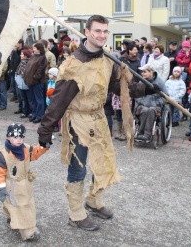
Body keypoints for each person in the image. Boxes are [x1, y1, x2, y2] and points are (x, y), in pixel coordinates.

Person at [37, 15, 141, 231]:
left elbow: (114, 86)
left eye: (105, 31)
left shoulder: (107, 59)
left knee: (103, 161)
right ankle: (75, 214)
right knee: (79, 167)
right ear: (87, 32)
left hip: (99, 119)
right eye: (97, 31)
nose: (102, 35)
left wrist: (144, 88)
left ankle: (94, 200)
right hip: (79, 121)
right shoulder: (74, 65)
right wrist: (45, 129)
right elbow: (58, 101)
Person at [0, 123, 48, 241]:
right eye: (15, 137)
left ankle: (10, 216)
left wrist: (44, 145)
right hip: (12, 184)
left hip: (25, 183)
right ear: (8, 137)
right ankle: (28, 232)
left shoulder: (26, 148)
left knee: (17, 204)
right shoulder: (3, 156)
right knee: (21, 206)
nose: (19, 140)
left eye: (21, 137)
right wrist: (1, 189)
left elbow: (36, 152)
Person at [134, 64, 168, 141]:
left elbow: (166, 96)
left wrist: (156, 103)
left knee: (151, 110)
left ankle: (147, 134)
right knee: (145, 110)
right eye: (142, 72)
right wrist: (143, 102)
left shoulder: (160, 82)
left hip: (155, 106)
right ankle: (140, 132)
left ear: (151, 72)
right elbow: (136, 95)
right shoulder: (141, 82)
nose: (142, 73)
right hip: (143, 105)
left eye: (144, 72)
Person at [23, 42, 47, 123]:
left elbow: (40, 70)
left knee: (39, 100)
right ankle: (34, 114)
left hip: (38, 82)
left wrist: (35, 78)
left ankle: (39, 115)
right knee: (33, 100)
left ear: (39, 49)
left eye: (35, 48)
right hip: (31, 82)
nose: (33, 49)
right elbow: (28, 68)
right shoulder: (33, 57)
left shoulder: (42, 58)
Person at [15, 49, 32, 118]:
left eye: (22, 54)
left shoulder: (24, 62)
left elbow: (23, 73)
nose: (20, 55)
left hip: (25, 83)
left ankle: (26, 112)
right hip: (22, 83)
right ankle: (26, 112)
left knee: (26, 98)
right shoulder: (23, 62)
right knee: (25, 98)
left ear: (25, 56)